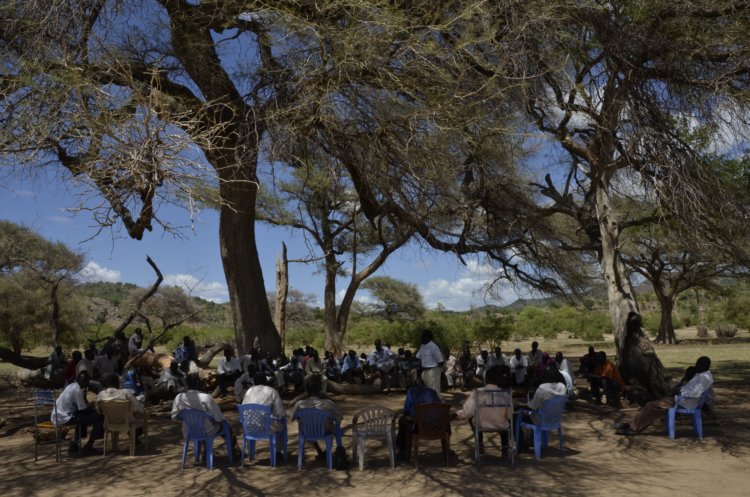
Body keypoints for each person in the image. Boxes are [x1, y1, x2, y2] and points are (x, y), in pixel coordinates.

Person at [614, 356, 713, 436]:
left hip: (684, 402)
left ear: (704, 365)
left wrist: (680, 392)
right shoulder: (701, 375)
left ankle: (633, 428)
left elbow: (693, 393)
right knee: (651, 406)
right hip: (682, 400)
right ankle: (632, 425)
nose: (696, 366)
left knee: (651, 406)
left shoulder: (705, 378)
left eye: (698, 364)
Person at [171, 374, 238, 453]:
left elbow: (174, 417)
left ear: (186, 384)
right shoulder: (205, 397)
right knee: (225, 425)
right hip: (207, 431)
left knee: (204, 425)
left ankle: (204, 450)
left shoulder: (179, 397)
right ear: (198, 383)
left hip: (189, 431)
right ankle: (234, 450)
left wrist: (188, 418)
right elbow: (219, 418)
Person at [457, 365, 512, 457]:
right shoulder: (505, 394)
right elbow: (509, 415)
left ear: (485, 379)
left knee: (471, 417)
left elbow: (468, 411)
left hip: (481, 425)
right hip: (501, 425)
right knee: (506, 421)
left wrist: (458, 414)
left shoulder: (477, 392)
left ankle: (480, 445)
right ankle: (505, 450)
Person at [51, 370, 104, 457]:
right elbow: (83, 409)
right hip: (65, 417)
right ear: (85, 382)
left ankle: (74, 444)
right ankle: (89, 446)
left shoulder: (71, 386)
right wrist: (93, 409)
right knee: (98, 417)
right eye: (86, 382)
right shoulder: (77, 390)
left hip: (57, 415)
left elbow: (80, 408)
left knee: (83, 418)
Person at [291, 374, 343, 456]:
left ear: (307, 391)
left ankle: (319, 449)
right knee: (336, 428)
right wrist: (335, 422)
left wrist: (300, 418)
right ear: (320, 391)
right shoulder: (328, 403)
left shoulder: (299, 404)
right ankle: (330, 450)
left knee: (309, 425)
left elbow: (292, 417)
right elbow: (340, 416)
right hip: (325, 431)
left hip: (306, 431)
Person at [395, 375, 442, 460]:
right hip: (436, 426)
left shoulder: (411, 392)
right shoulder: (432, 392)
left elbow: (407, 410)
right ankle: (447, 449)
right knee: (446, 420)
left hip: (419, 427)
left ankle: (402, 450)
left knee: (403, 420)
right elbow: (440, 408)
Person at [242, 372, 287, 449]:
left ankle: (250, 451)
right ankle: (278, 450)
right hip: (266, 428)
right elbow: (280, 412)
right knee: (282, 422)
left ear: (254, 382)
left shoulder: (248, 391)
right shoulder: (272, 391)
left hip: (249, 427)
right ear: (266, 381)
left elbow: (243, 410)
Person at [96, 372, 146, 442]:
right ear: (116, 382)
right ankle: (135, 438)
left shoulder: (100, 395)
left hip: (110, 423)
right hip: (126, 423)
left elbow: (99, 411)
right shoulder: (126, 393)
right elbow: (137, 408)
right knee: (139, 415)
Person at [416, 329, 444, 395]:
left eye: (421, 336)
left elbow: (440, 361)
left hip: (433, 372)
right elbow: (417, 357)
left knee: (434, 393)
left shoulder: (433, 347)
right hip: (424, 372)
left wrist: (437, 370)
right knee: (426, 393)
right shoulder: (422, 346)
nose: (420, 338)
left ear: (427, 337)